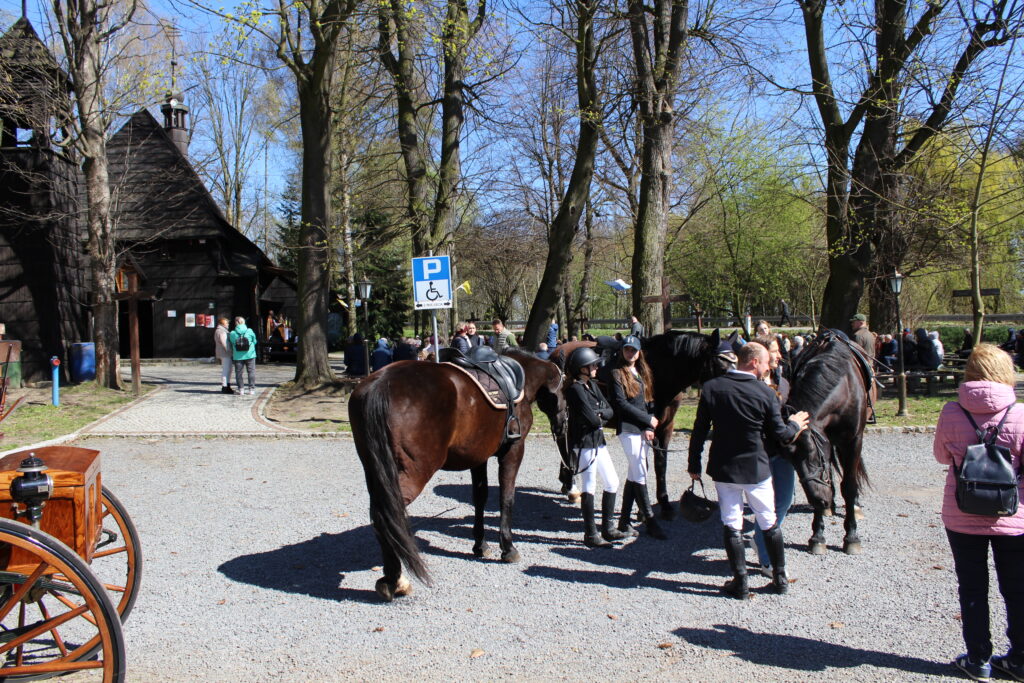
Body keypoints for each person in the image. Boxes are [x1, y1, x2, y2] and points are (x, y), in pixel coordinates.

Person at [687, 342, 809, 599]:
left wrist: (694, 464)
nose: (768, 367)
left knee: (732, 522)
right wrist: (795, 424)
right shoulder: (764, 393)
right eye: (766, 363)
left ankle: (740, 582)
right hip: (756, 467)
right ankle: (779, 577)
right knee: (768, 520)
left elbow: (699, 430)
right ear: (754, 362)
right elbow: (780, 434)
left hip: (724, 467)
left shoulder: (711, 388)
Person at [933, 344, 1024, 682]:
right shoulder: (1020, 413)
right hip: (1011, 514)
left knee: (972, 588)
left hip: (962, 511)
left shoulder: (951, 411)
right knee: (1016, 589)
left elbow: (942, 457)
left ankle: (978, 659)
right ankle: (1019, 659)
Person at [565, 347, 626, 548]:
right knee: (589, 486)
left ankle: (608, 528)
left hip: (599, 440)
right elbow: (592, 419)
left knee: (612, 481)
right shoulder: (575, 389)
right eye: (592, 365)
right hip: (585, 443)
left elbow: (609, 410)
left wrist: (598, 414)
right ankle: (590, 533)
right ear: (581, 368)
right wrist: (598, 415)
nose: (596, 367)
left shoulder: (592, 384)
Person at [608, 335, 666, 540]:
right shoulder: (617, 373)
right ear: (622, 351)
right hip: (628, 428)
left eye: (633, 350)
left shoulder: (643, 372)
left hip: (643, 428)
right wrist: (647, 421)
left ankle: (624, 521)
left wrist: (649, 423)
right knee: (640, 472)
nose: (630, 353)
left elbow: (649, 401)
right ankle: (650, 520)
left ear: (639, 352)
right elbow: (621, 404)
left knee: (634, 473)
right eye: (627, 350)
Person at [750, 335, 798, 576]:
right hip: (759, 454)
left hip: (782, 450)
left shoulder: (784, 382)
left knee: (785, 501)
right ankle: (766, 555)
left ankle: (760, 540)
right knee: (764, 506)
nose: (779, 355)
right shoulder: (751, 384)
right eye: (774, 351)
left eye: (778, 351)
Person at [228, 316, 257, 395]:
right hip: (250, 355)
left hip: (238, 356)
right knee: (251, 372)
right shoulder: (249, 331)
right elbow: (255, 341)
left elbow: (232, 343)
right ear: (244, 322)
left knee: (239, 373)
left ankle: (241, 389)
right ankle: (251, 389)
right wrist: (250, 347)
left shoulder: (232, 333)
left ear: (236, 323)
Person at [214, 316, 234, 394]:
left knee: (227, 370)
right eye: (227, 322)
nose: (228, 324)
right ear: (223, 323)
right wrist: (230, 351)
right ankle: (225, 386)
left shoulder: (219, 330)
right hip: (225, 353)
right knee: (226, 370)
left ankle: (226, 385)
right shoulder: (222, 331)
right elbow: (225, 344)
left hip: (222, 353)